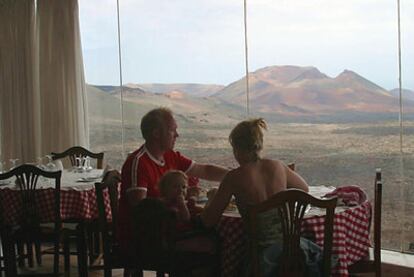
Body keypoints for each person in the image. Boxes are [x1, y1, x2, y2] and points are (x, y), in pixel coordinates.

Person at [200, 118, 310, 276]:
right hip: (294, 252)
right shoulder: (278, 166)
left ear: (237, 149)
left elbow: (209, 221)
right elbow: (303, 189)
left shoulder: (233, 177)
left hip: (261, 259)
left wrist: (212, 197)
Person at [117, 107, 228, 256]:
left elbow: (205, 170)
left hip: (169, 230)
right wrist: (178, 202)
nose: (177, 135)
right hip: (147, 238)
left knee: (217, 235)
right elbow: (140, 209)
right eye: (172, 130)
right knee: (215, 243)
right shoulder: (138, 162)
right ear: (156, 133)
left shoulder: (169, 156)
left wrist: (235, 176)